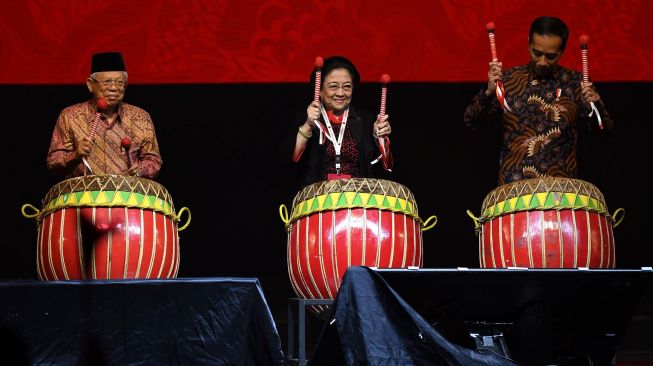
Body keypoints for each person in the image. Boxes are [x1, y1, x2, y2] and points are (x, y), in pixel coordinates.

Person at [464, 16, 613, 186]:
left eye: (550, 56)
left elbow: (604, 133)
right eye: (537, 53)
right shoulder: (508, 80)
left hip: (560, 193)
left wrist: (597, 105)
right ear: (529, 43)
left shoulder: (576, 83)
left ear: (562, 51)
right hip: (514, 192)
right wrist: (489, 91)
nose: (542, 62)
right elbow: (472, 121)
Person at [47, 51, 162, 179]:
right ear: (90, 85)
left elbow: (154, 160)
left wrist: (141, 170)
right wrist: (75, 154)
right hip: (83, 195)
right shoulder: (70, 116)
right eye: (107, 82)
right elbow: (53, 163)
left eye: (119, 83)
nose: (113, 88)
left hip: (127, 195)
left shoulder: (140, 117)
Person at [287, 55, 392, 187]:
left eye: (347, 87)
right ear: (319, 90)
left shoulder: (367, 120)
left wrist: (380, 138)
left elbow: (386, 167)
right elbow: (291, 160)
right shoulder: (304, 119)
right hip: (316, 200)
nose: (341, 93)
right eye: (333, 87)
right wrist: (308, 125)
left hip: (358, 200)